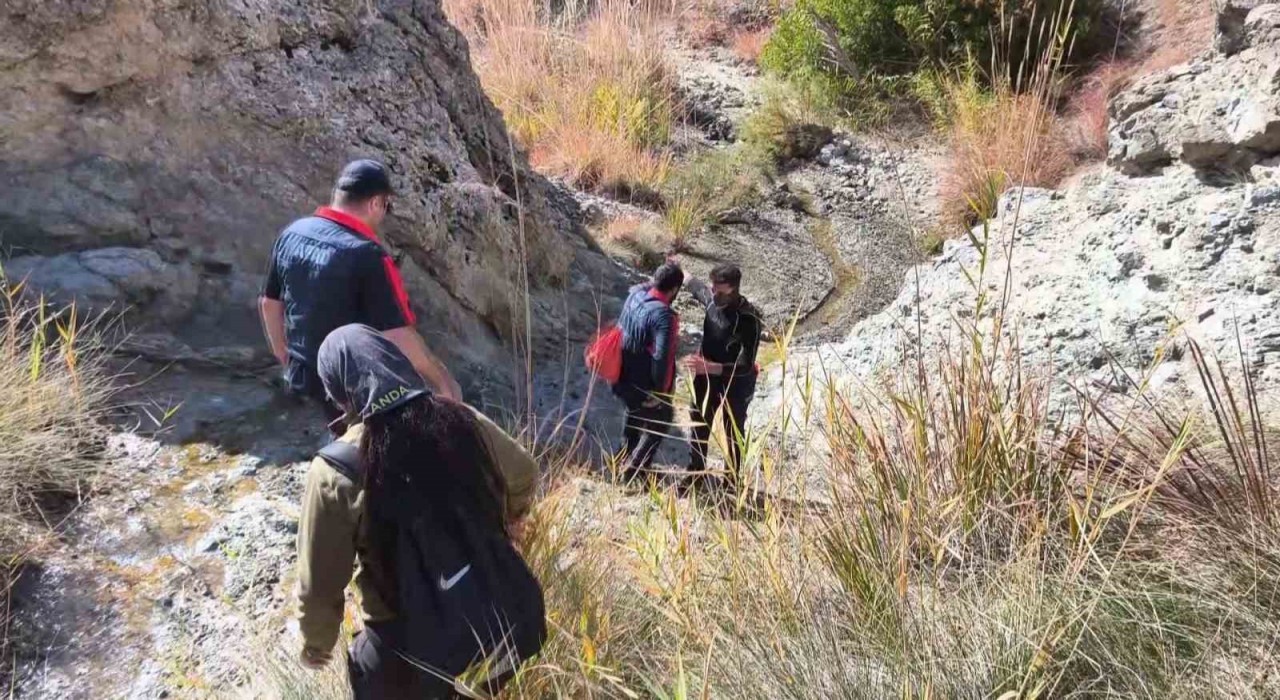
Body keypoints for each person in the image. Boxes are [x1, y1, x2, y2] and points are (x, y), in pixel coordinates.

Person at [295, 324, 541, 699]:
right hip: (506, 618)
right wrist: (509, 518)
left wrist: (317, 647)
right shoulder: (459, 418)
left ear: (340, 394)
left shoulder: (336, 470)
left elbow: (320, 585)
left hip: (408, 657)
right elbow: (524, 472)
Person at [259, 159, 461, 430]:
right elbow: (398, 336)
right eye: (387, 206)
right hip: (347, 391)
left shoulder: (293, 232)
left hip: (302, 376)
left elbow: (269, 303)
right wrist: (443, 383)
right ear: (375, 203)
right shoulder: (368, 255)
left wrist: (284, 355)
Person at [685, 263, 763, 485]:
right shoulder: (712, 299)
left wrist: (710, 367)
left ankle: (732, 480)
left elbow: (746, 365)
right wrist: (679, 269)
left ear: (733, 289)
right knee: (699, 422)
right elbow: (694, 285)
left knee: (733, 430)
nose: (714, 294)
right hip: (706, 378)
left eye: (719, 291)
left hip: (735, 384)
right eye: (713, 288)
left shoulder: (748, 319)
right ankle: (695, 473)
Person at [613, 262, 684, 479]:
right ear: (674, 290)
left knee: (633, 417)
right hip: (642, 383)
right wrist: (659, 392)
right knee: (661, 420)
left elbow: (645, 286)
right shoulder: (664, 316)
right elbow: (662, 357)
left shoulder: (635, 295)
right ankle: (633, 472)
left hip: (621, 374)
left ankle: (619, 464)